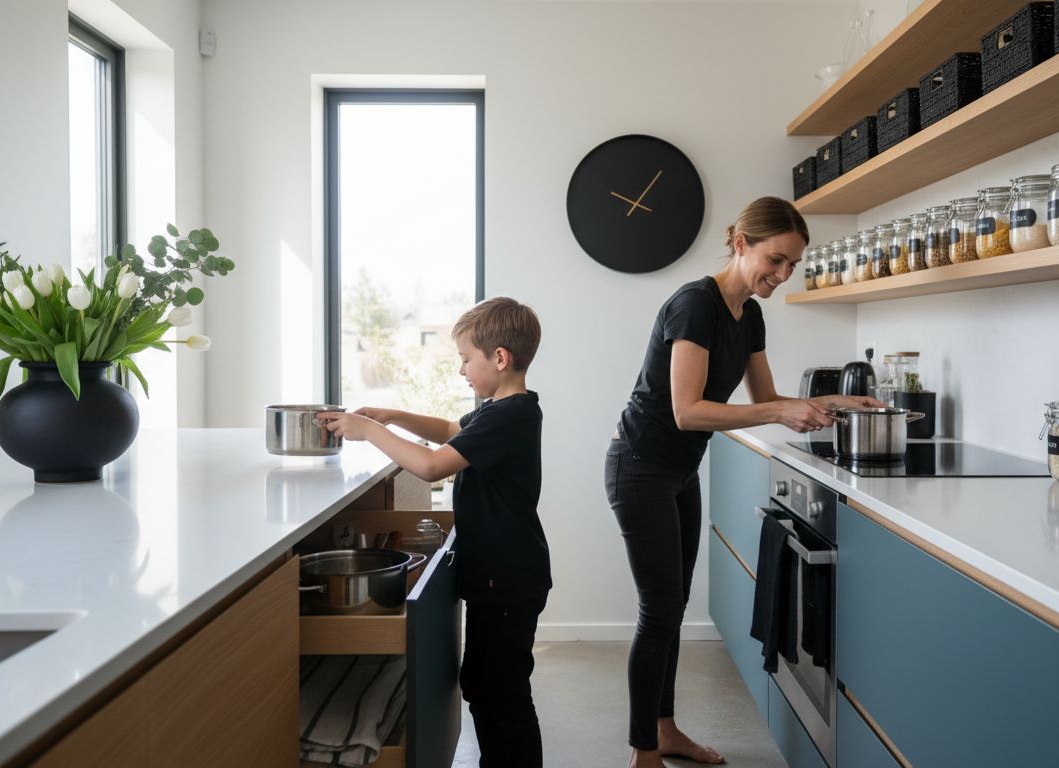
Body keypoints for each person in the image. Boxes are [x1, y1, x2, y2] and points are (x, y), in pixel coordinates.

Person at [604, 197, 883, 768]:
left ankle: (665, 731)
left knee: (672, 606)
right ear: (740, 244)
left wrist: (829, 401)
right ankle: (643, 753)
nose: (781, 276)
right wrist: (782, 415)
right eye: (775, 261)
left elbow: (766, 399)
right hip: (639, 466)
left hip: (677, 470)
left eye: (791, 267)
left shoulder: (749, 315)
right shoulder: (693, 305)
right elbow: (688, 411)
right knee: (658, 611)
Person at [320, 296, 552, 768]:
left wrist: (367, 430)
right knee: (484, 685)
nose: (461, 370)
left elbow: (430, 466)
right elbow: (450, 428)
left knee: (504, 693)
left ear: (500, 358)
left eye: (467, 360)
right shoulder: (499, 410)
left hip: (508, 581)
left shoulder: (510, 416)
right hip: (501, 577)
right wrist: (393, 415)